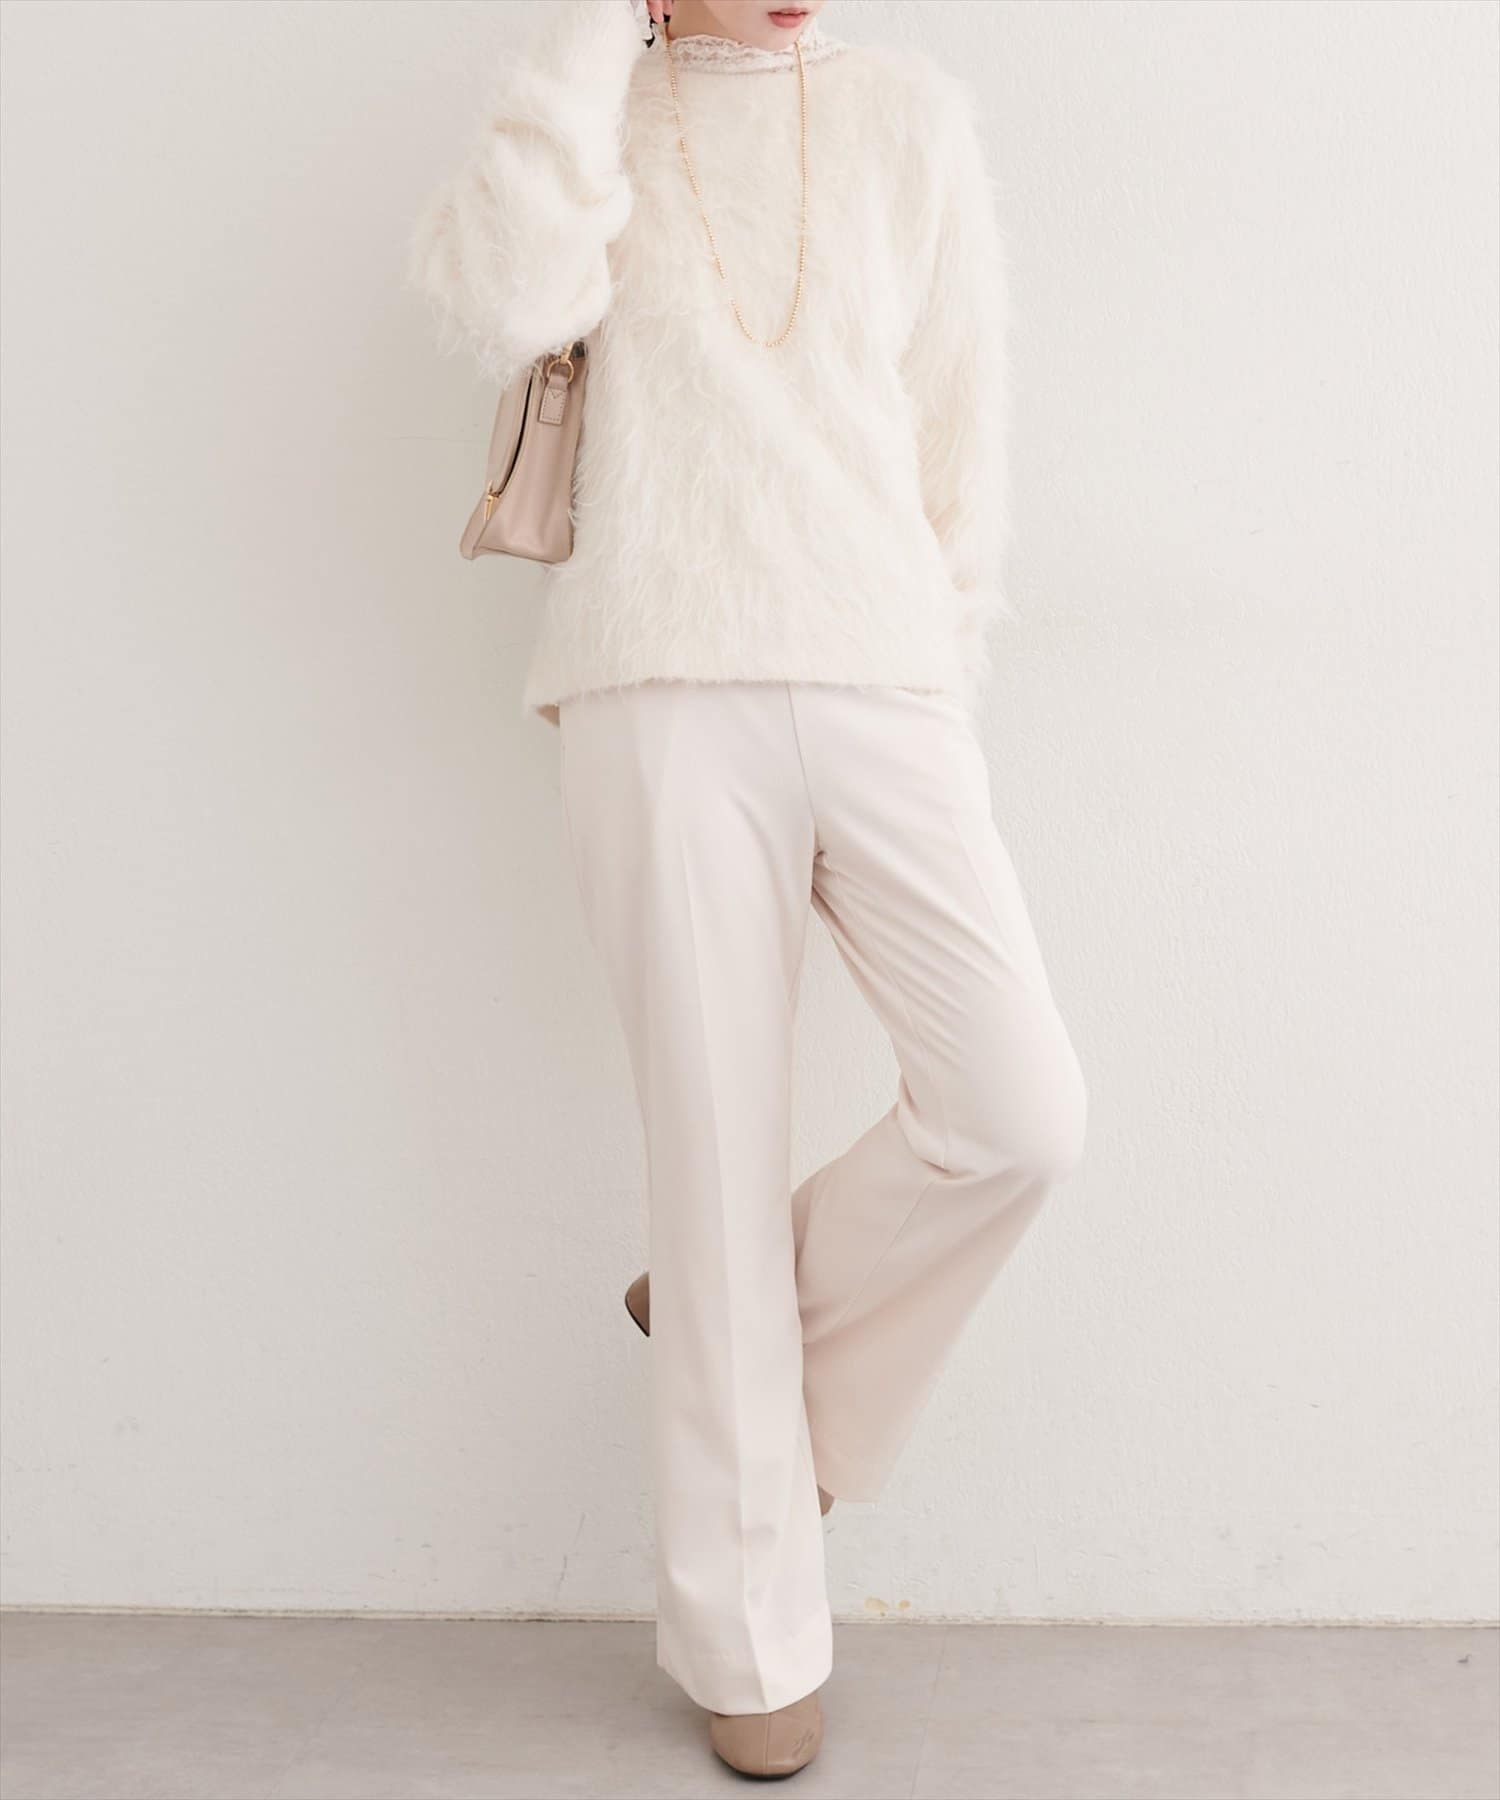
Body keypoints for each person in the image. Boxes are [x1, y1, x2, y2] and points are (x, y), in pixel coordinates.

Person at [410, 0, 1087, 1777]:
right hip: (658, 684)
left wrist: (941, 675)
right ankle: (748, 1634)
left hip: (881, 680)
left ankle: (750, 1327)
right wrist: (595, 39)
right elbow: (502, 295)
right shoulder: (601, 108)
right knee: (707, 1163)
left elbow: (960, 447)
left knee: (1019, 1112)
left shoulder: (908, 116)